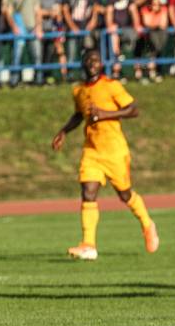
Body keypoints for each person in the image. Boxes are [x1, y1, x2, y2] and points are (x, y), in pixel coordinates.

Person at [51, 49, 159, 261]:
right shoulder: (79, 91)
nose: (93, 63)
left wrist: (106, 114)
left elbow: (133, 109)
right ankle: (89, 245)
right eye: (89, 60)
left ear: (101, 64)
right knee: (88, 191)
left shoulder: (111, 85)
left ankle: (147, 223)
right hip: (92, 150)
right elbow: (78, 115)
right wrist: (63, 131)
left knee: (125, 195)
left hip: (115, 151)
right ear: (83, 63)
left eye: (96, 60)